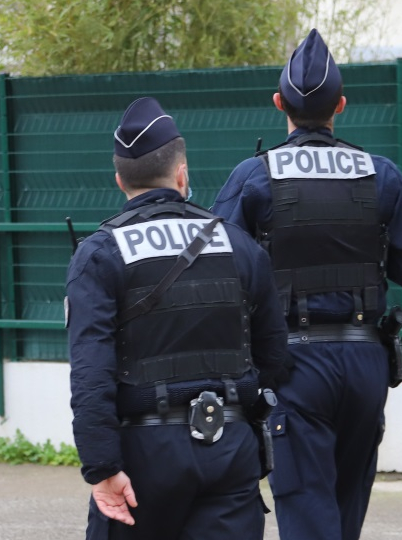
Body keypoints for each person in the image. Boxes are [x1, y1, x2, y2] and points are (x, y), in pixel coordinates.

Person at [211, 29, 402, 540]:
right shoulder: (380, 175)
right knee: (343, 513)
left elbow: (215, 270)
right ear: (341, 105)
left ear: (279, 104)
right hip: (365, 366)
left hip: (293, 364)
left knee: (307, 514)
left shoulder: (254, 176)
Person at [67, 97, 288, 540]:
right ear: (181, 174)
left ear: (119, 181)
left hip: (143, 458)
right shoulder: (239, 245)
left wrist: (103, 468)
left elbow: (91, 375)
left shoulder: (99, 255)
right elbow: (277, 360)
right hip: (230, 448)